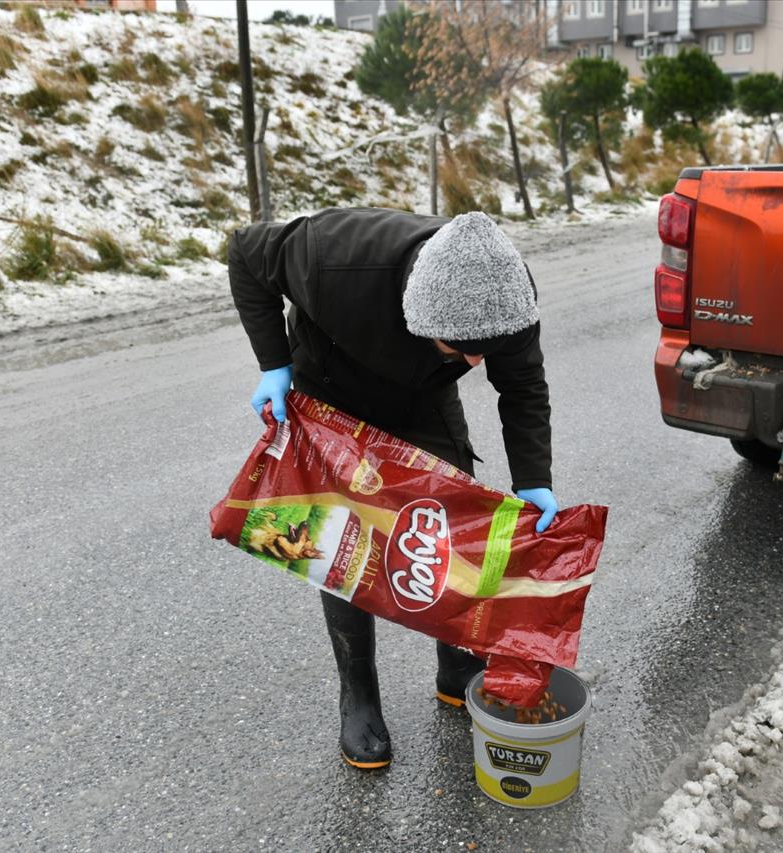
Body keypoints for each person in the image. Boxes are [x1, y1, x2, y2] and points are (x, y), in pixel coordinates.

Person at [227, 208, 558, 769]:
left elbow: (523, 388)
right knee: (341, 544)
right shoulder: (333, 258)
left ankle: (456, 664)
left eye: (486, 348)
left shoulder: (508, 296)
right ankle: (358, 693)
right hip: (332, 387)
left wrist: (534, 479)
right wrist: (273, 363)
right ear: (417, 309)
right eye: (460, 345)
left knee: (452, 521)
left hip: (423, 398)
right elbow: (244, 253)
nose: (477, 361)